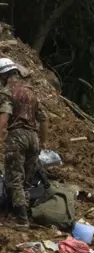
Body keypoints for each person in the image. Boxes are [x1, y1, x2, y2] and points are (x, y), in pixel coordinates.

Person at [0, 59, 47, 229]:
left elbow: (5, 113)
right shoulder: (31, 93)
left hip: (17, 137)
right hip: (33, 137)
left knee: (15, 179)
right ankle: (23, 214)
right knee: (27, 180)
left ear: (4, 75)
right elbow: (42, 119)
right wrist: (43, 141)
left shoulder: (7, 92)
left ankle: (21, 220)